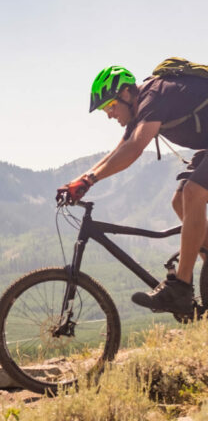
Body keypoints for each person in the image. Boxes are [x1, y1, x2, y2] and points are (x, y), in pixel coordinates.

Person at [56, 61, 208, 316]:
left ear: (127, 93)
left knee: (193, 192)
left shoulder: (154, 95)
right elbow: (120, 149)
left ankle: (180, 288)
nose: (109, 114)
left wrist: (89, 181)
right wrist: (80, 181)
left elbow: (134, 149)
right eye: (106, 109)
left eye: (110, 106)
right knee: (179, 200)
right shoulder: (141, 108)